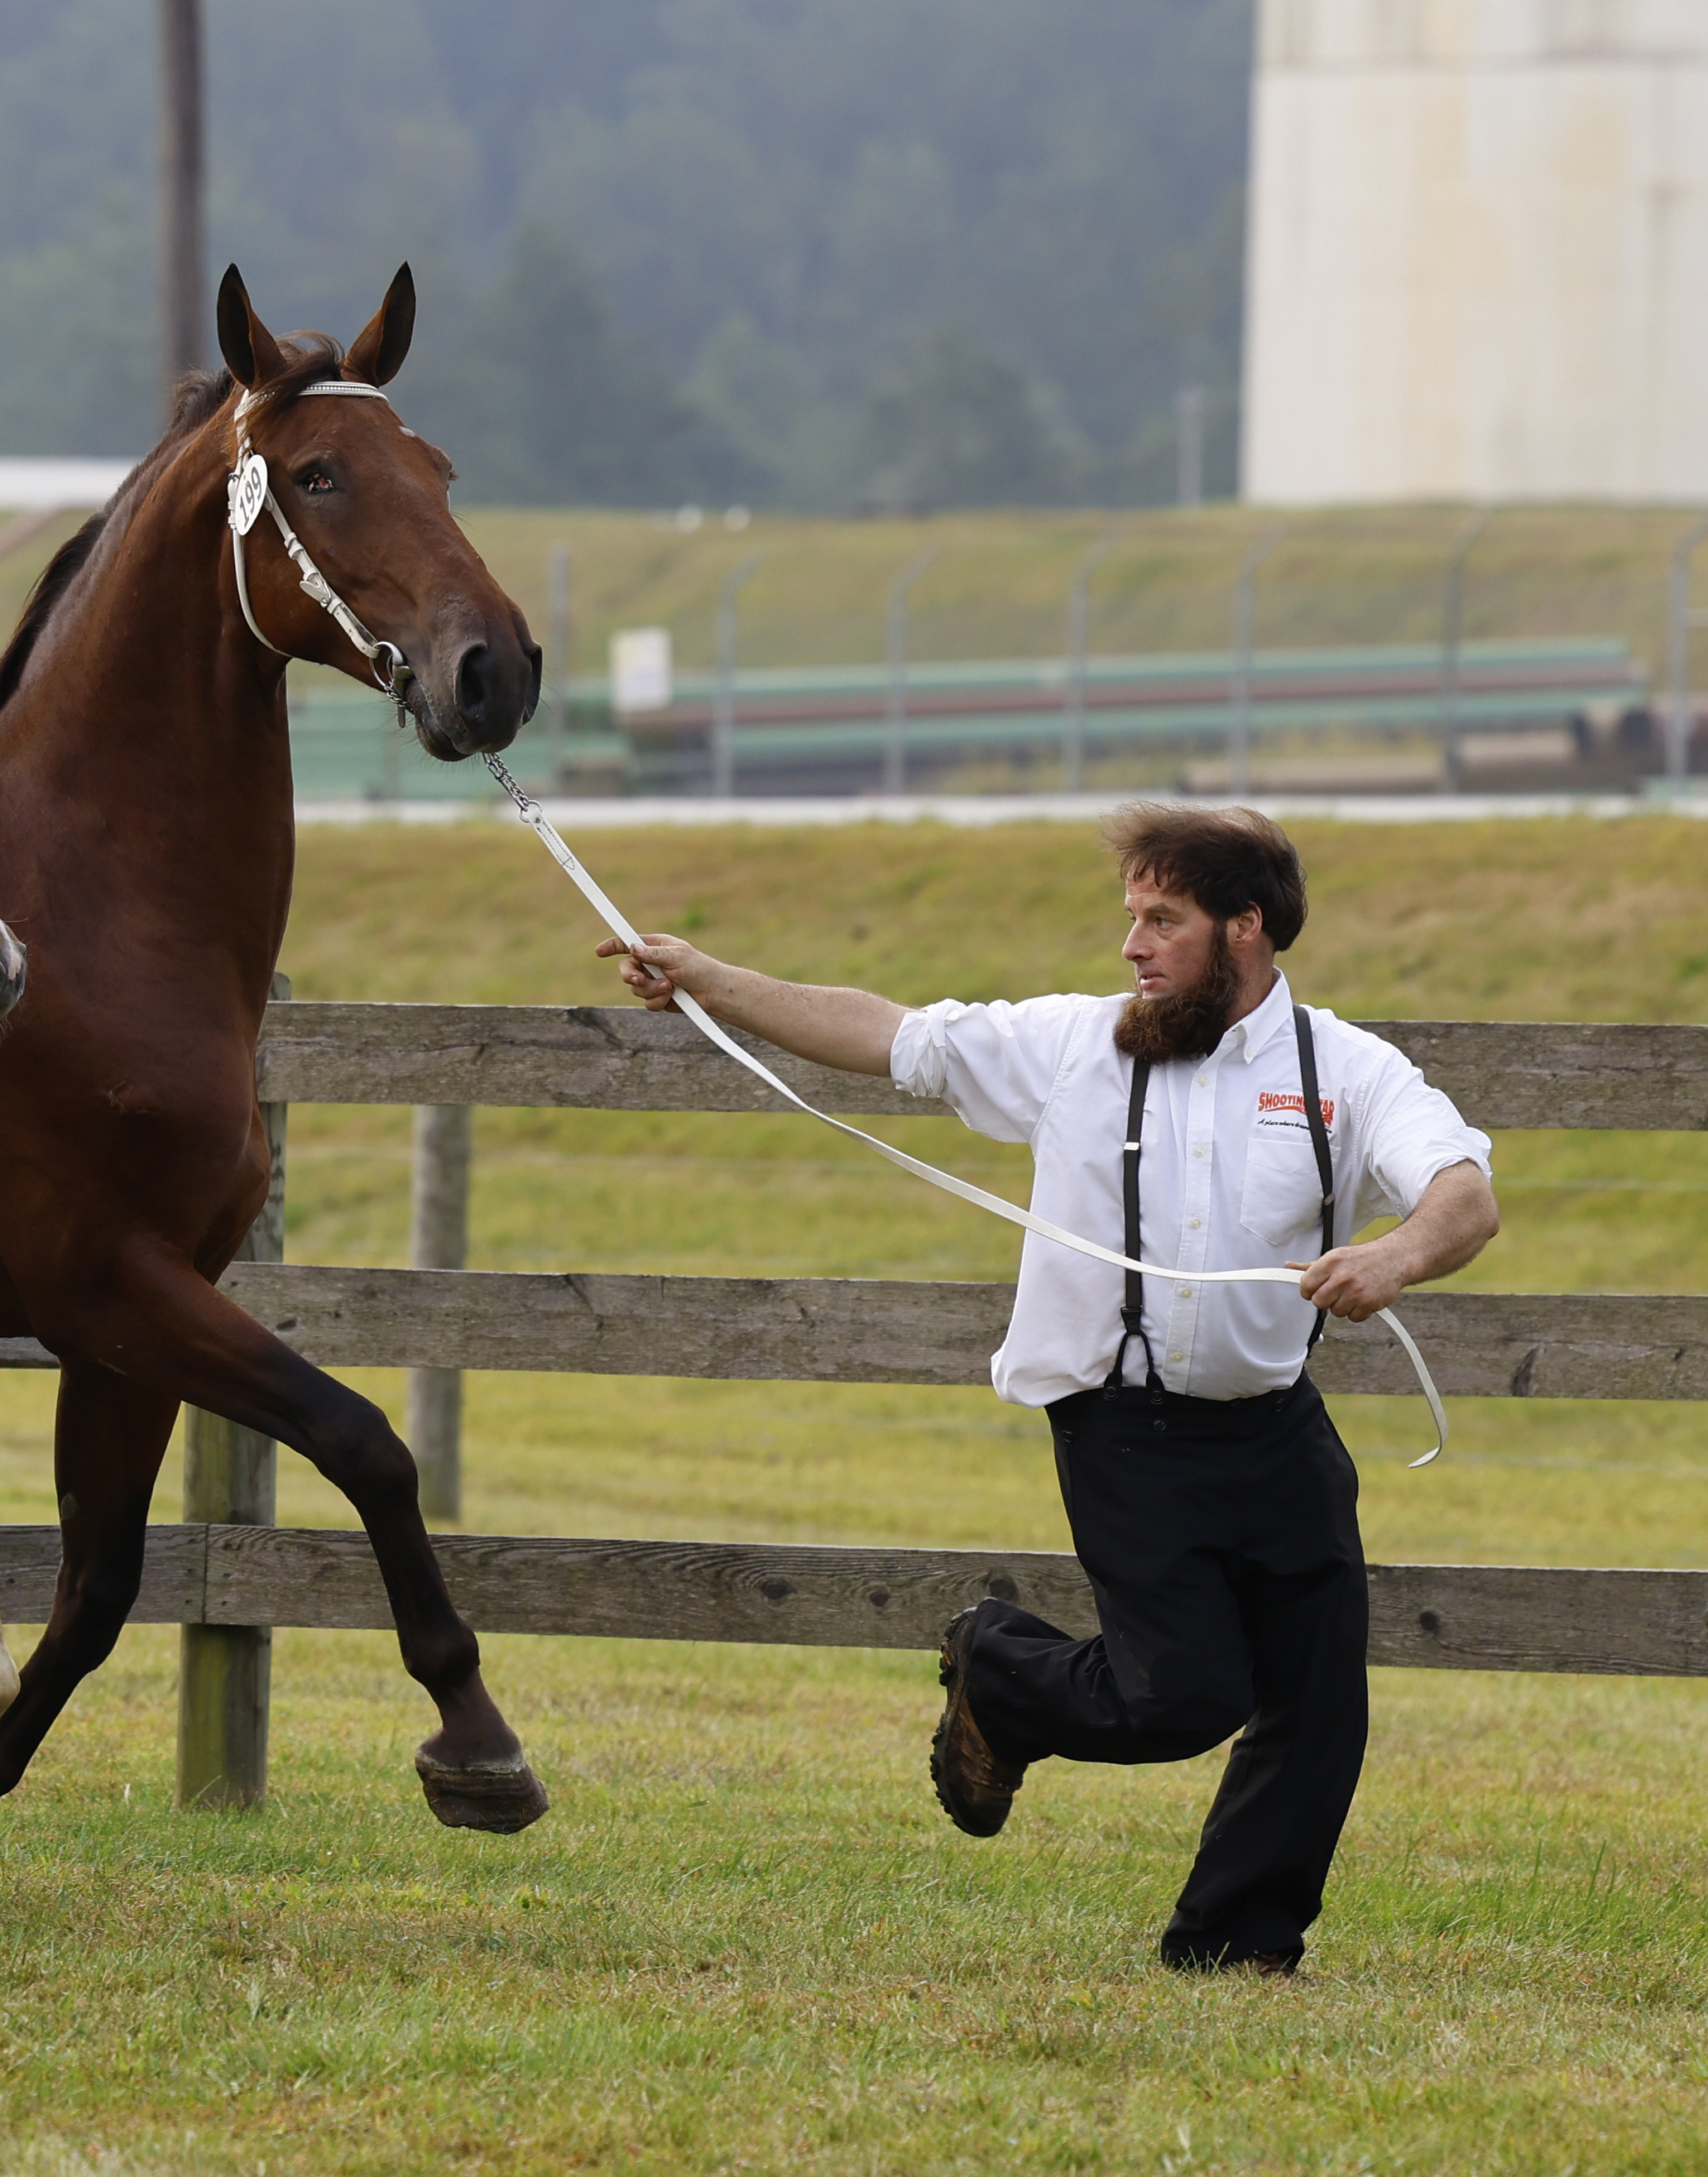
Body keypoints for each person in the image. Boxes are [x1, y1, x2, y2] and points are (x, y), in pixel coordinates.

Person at [602, 803, 1497, 1974]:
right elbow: (887, 1034)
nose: (1130, 944)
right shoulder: (1071, 1046)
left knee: (1319, 1701)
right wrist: (709, 978)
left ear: (1246, 929)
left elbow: (1461, 1192)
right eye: (1129, 916)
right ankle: (1004, 1673)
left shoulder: (1348, 1069)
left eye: (1160, 920)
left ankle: (1234, 1946)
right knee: (1179, 1699)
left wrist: (1393, 1255)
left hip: (1276, 1430)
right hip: (1121, 1431)